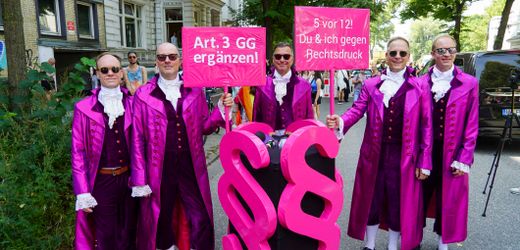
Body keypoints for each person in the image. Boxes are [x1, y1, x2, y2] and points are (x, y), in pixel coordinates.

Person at [326, 37, 433, 250]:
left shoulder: (420, 86)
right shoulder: (371, 84)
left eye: (402, 53)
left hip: (405, 156)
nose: (397, 57)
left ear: (408, 57)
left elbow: (426, 125)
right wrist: (341, 120)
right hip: (374, 152)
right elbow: (357, 109)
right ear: (386, 56)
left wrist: (425, 160)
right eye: (393, 53)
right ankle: (370, 244)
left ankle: (393, 245)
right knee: (371, 199)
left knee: (396, 200)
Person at [130, 42, 233, 250]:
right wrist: (140, 179)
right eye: (161, 57)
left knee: (200, 215)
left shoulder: (195, 90)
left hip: (191, 166)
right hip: (158, 168)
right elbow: (137, 138)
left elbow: (204, 126)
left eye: (171, 56)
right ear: (156, 62)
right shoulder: (143, 95)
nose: (167, 60)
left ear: (180, 60)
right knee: (162, 217)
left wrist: (221, 108)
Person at [71, 52, 136, 249]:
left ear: (121, 73)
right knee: (106, 236)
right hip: (101, 182)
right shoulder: (83, 108)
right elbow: (78, 153)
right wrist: (82, 192)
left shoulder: (134, 103)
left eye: (115, 69)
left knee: (129, 234)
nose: (110, 73)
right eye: (105, 69)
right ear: (97, 73)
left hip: (130, 180)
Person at [420, 34, 478, 250]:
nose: (446, 54)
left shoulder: (470, 83)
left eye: (451, 50)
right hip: (424, 150)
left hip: (453, 153)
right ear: (433, 53)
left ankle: (443, 242)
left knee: (448, 198)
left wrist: (464, 158)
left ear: (456, 52)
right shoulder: (420, 83)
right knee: (419, 196)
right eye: (441, 50)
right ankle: (414, 236)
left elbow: (472, 125)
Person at [252, 42, 313, 131]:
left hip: (295, 140)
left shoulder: (304, 86)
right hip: (269, 140)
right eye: (278, 56)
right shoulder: (262, 86)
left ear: (292, 59)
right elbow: (256, 117)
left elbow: (309, 117)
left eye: (286, 56)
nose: (282, 59)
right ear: (273, 59)